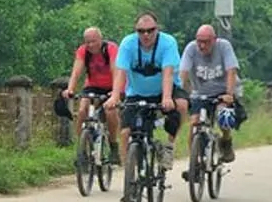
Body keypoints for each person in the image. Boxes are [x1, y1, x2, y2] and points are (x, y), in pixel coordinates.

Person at [105, 10, 187, 171]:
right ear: (136, 31)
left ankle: (169, 146)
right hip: (137, 92)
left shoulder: (167, 43)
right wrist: (115, 96)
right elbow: (121, 73)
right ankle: (127, 170)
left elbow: (168, 73)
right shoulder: (128, 44)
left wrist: (167, 97)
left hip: (165, 90)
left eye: (151, 30)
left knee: (182, 105)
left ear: (157, 29)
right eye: (141, 31)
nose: (146, 35)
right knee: (125, 132)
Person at [179, 23, 241, 165]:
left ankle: (226, 141)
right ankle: (194, 162)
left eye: (206, 42)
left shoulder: (224, 46)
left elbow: (231, 71)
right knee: (194, 122)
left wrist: (229, 94)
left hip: (222, 92)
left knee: (224, 118)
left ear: (214, 40)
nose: (202, 45)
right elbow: (183, 73)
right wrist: (179, 93)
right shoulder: (191, 49)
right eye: (199, 41)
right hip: (200, 93)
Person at [61, 27, 121, 164]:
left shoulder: (110, 49)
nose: (91, 45)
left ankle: (113, 146)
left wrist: (115, 92)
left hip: (112, 85)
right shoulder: (83, 51)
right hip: (92, 86)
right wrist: (70, 89)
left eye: (94, 41)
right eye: (87, 42)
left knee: (110, 111)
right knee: (82, 110)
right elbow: (76, 72)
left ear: (101, 39)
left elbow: (116, 71)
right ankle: (81, 149)